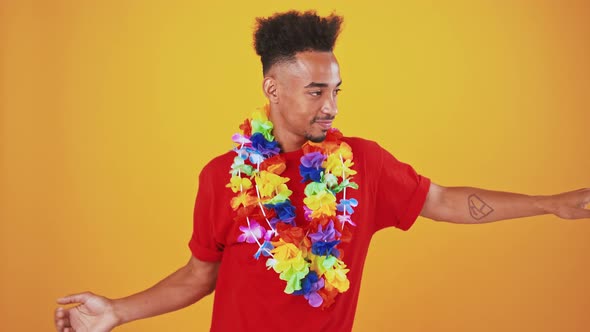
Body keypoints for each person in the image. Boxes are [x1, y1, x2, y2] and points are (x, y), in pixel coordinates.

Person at [54, 10, 590, 332]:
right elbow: (200, 275)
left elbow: (444, 201)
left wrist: (550, 204)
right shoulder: (221, 176)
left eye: (336, 89)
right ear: (273, 89)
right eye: (316, 91)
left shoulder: (363, 164)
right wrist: (116, 312)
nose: (331, 105)